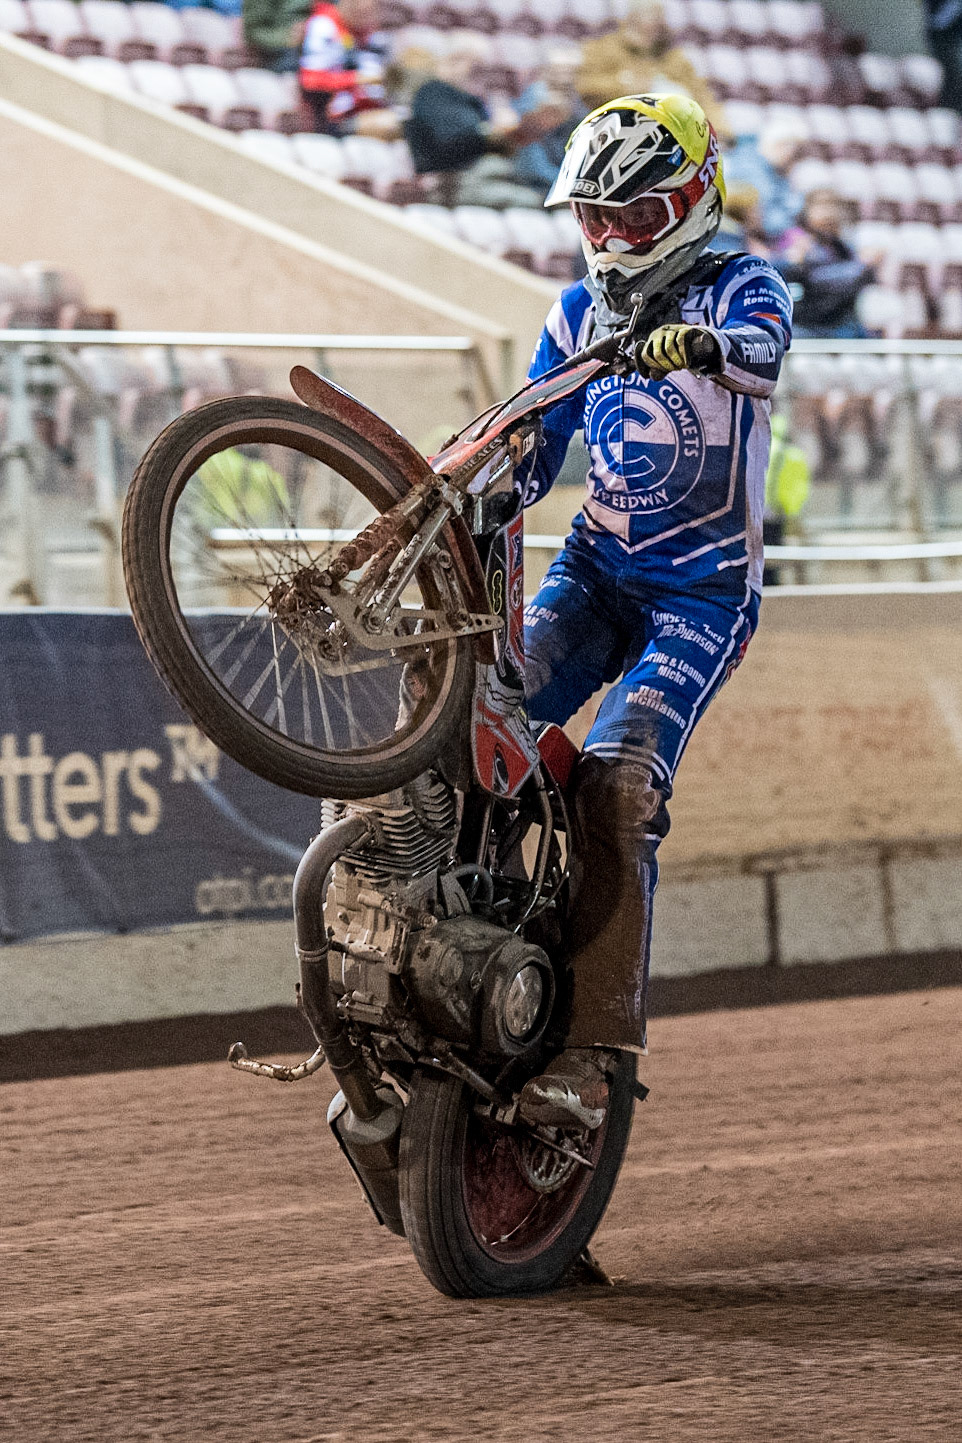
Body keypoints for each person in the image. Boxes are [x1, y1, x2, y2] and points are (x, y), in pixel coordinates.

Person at [514, 94, 793, 1130]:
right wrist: (468, 489)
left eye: (633, 217)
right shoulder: (574, 314)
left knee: (615, 788)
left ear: (688, 203)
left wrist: (690, 348)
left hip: (702, 593)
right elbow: (531, 455)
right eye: (594, 218)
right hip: (593, 571)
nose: (612, 240)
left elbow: (760, 354)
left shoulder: (742, 285)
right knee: (475, 715)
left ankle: (589, 1056)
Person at [577, 0, 728, 138]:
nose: (660, 23)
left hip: (680, 135)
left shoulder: (675, 58)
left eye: (660, 17)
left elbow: (703, 96)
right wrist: (625, 86)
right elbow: (586, 87)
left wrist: (719, 131)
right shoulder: (604, 49)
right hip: (620, 133)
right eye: (653, 16)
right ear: (633, 19)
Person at [773, 188, 875, 338]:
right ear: (807, 212)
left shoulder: (845, 248)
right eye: (821, 206)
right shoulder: (795, 243)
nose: (828, 214)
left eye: (833, 207)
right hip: (806, 330)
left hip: (842, 329)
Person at [299, 0, 391, 133]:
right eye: (363, 12)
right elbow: (311, 79)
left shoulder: (371, 31)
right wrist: (357, 79)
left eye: (372, 11)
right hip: (337, 116)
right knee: (394, 126)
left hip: (373, 107)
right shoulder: (324, 25)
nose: (369, 18)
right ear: (347, 4)